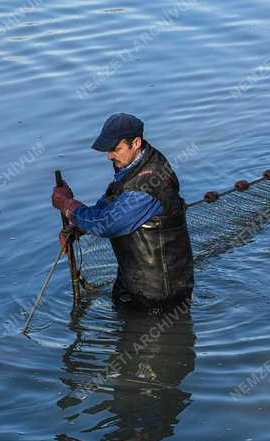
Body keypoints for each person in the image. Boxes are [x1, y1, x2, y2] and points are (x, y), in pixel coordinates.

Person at [51, 113, 194, 311]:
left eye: (116, 149)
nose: (109, 155)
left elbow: (108, 222)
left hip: (159, 296)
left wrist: (68, 206)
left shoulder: (148, 185)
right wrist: (78, 226)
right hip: (136, 281)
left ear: (136, 143)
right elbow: (112, 204)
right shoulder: (135, 165)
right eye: (108, 150)